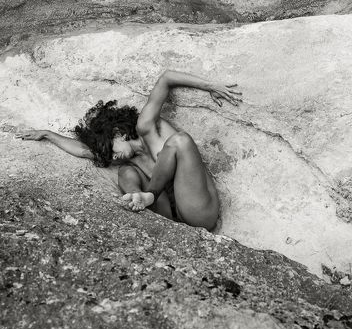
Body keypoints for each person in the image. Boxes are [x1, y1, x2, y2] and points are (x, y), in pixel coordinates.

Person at [15, 70, 242, 231]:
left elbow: (166, 78)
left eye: (112, 149)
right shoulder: (122, 158)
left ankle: (149, 196)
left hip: (199, 211)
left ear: (118, 133)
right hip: (171, 217)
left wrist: (210, 86)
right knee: (125, 171)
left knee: (180, 142)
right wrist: (48, 134)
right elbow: (83, 151)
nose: (113, 156)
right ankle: (137, 200)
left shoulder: (147, 126)